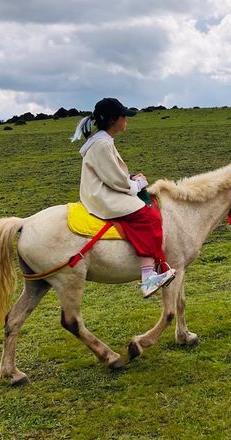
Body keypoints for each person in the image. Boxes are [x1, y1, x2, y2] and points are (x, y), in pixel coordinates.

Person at [71, 98, 175, 297]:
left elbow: (112, 173)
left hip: (103, 190)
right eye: (123, 116)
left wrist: (130, 178)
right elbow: (114, 180)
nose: (126, 119)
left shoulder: (103, 140)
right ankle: (148, 277)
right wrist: (137, 184)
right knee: (149, 218)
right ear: (113, 120)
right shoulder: (101, 143)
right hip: (103, 196)